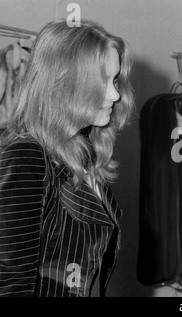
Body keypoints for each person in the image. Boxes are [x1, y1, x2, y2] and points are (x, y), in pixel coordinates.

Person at [0, 19, 134, 297]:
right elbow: (10, 282)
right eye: (102, 82)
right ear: (63, 83)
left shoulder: (84, 152)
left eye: (115, 79)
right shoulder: (28, 155)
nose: (114, 94)